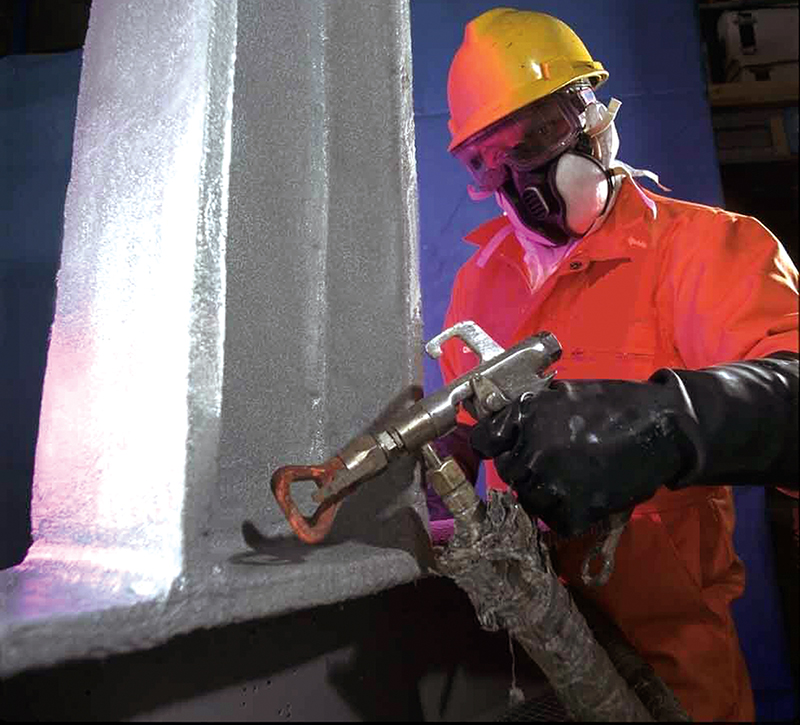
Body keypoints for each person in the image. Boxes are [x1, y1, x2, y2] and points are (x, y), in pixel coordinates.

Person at [433, 8, 799, 722]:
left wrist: (659, 421)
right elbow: (462, 433)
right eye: (490, 158)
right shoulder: (483, 279)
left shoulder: (701, 251)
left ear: (594, 119)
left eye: (539, 135)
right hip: (533, 667)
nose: (523, 178)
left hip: (674, 677)